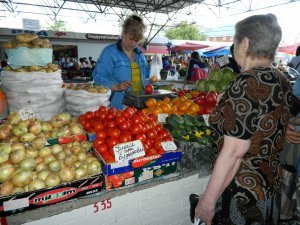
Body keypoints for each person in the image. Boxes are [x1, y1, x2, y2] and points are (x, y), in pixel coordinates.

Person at [195, 14, 293, 225]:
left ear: (245, 43)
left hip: (242, 194)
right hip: (269, 187)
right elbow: (272, 117)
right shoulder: (280, 78)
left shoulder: (245, 82)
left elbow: (234, 153)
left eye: (235, 40)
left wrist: (208, 201)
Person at [93, 14, 149, 109]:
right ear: (123, 33)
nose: (134, 43)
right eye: (131, 39)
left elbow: (144, 77)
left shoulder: (140, 55)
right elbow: (98, 77)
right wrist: (116, 86)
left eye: (137, 40)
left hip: (139, 105)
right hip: (118, 107)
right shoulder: (110, 52)